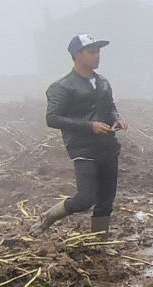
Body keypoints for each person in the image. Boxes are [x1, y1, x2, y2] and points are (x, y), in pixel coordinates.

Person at [36, 34, 127, 235]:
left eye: (98, 52)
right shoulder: (62, 87)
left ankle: (99, 241)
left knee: (106, 200)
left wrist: (117, 119)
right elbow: (52, 118)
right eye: (92, 52)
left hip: (108, 147)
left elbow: (109, 106)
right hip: (84, 149)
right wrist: (89, 126)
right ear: (77, 55)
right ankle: (51, 215)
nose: (97, 57)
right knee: (85, 199)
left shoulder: (102, 82)